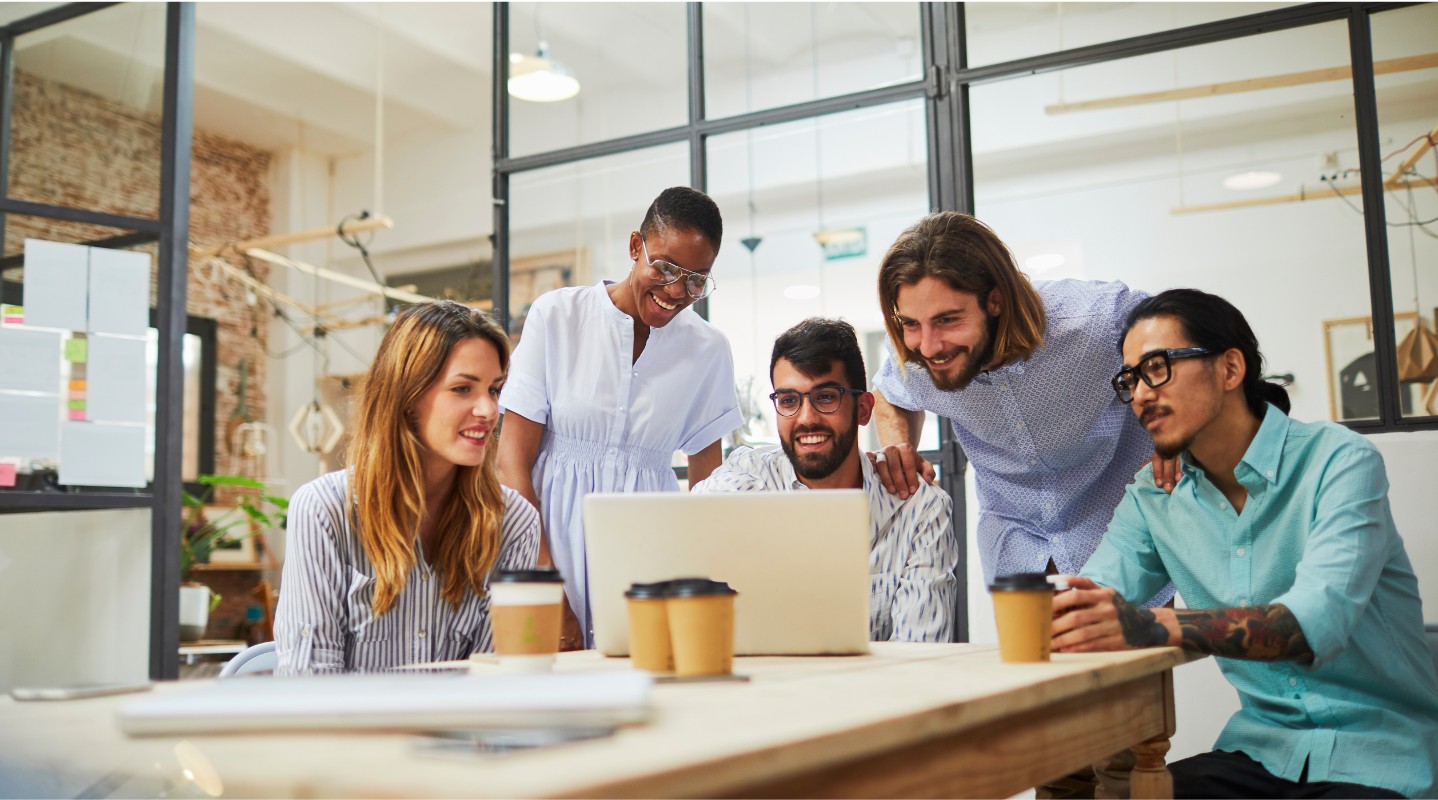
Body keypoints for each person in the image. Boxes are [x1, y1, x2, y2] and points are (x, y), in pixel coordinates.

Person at [1052, 289, 1438, 799]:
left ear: (1230, 369)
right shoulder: (1153, 496)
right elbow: (1098, 586)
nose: (1141, 394)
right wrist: (1066, 613)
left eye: (1158, 367)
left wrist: (1152, 624)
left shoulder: (1339, 460)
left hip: (1380, 753)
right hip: (1261, 752)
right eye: (1131, 379)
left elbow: (1312, 624)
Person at [497, 186, 743, 649]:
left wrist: (703, 590)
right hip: (548, 548)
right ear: (636, 247)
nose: (676, 291)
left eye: (696, 280)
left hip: (652, 556)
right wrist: (546, 584)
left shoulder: (708, 350)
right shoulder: (557, 316)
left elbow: (709, 487)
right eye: (665, 267)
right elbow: (511, 464)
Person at [274, 301, 541, 675]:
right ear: (408, 396)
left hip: (460, 734)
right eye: (463, 389)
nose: (488, 410)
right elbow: (309, 687)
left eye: (494, 390)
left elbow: (492, 688)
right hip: (350, 733)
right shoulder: (323, 511)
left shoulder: (512, 524)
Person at [692, 318, 958, 643]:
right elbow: (679, 550)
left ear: (862, 409)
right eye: (789, 401)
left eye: (826, 397)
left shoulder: (919, 509)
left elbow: (919, 653)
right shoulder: (747, 480)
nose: (807, 418)